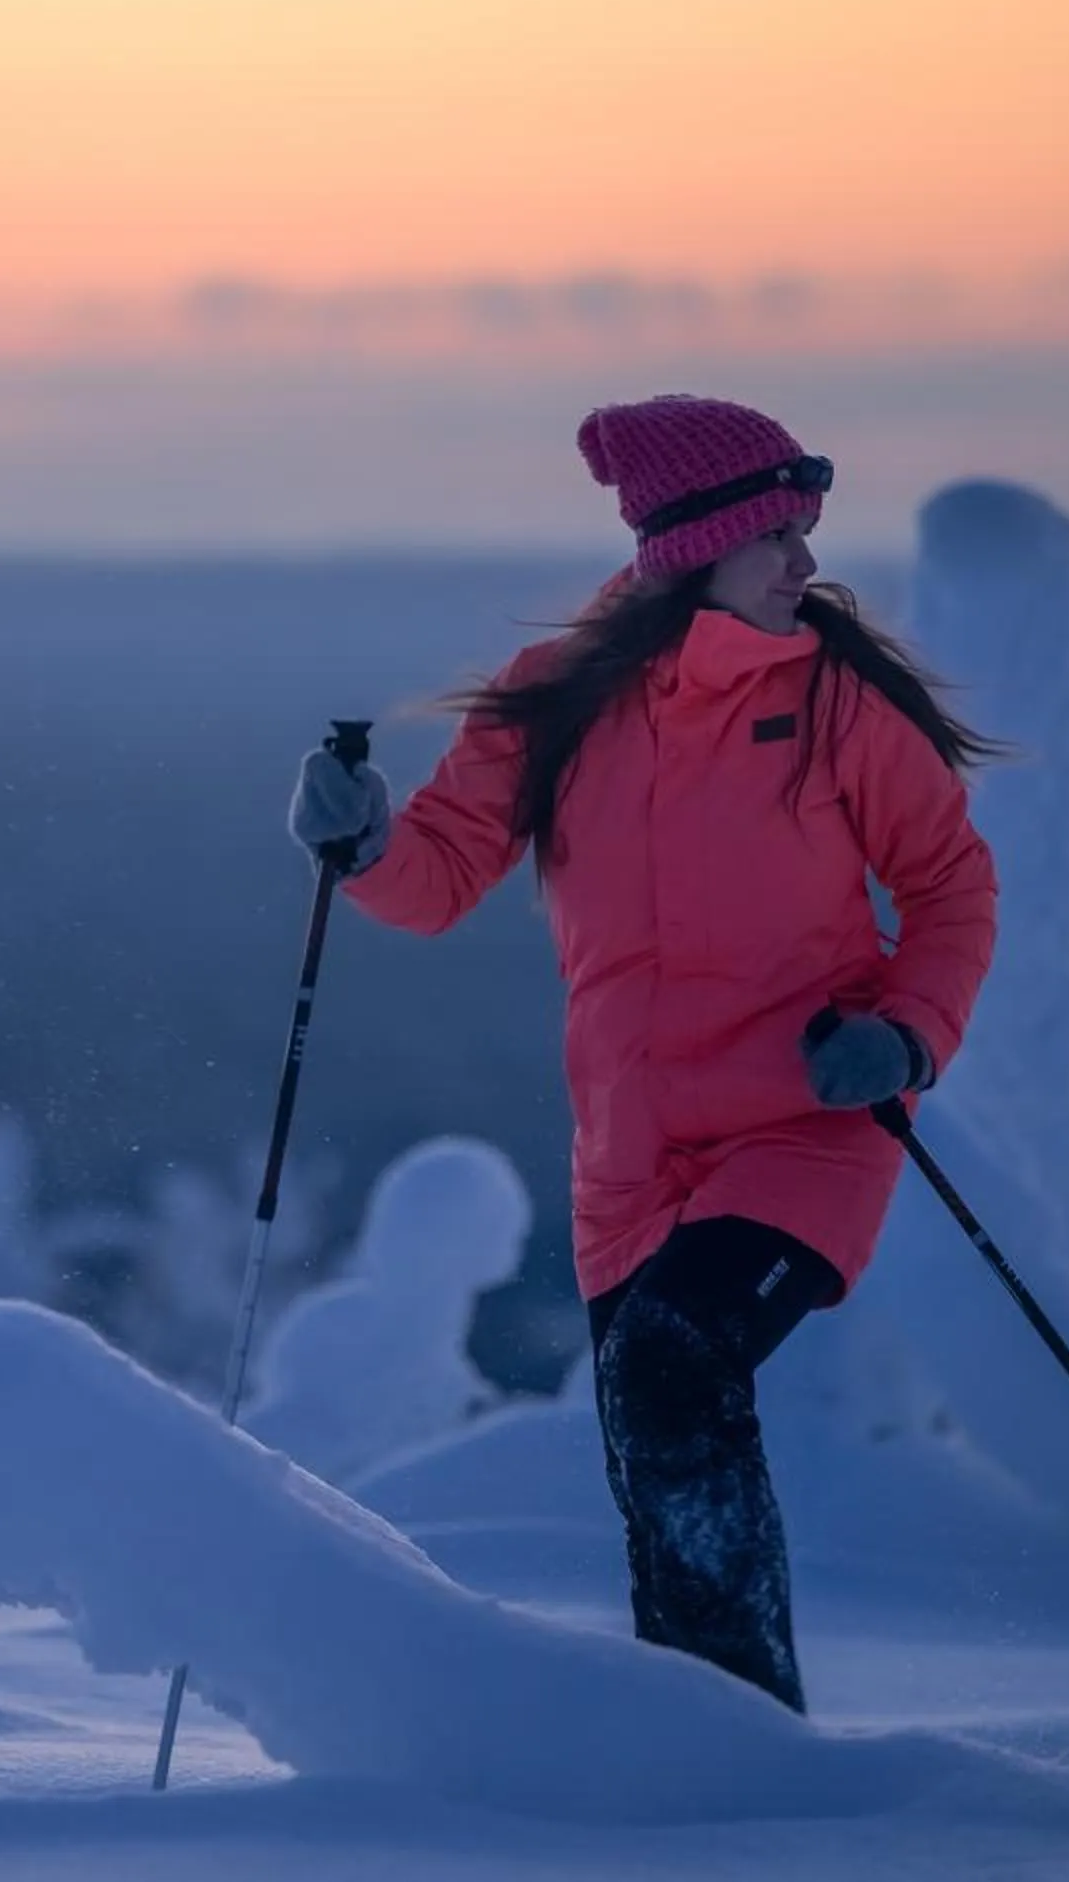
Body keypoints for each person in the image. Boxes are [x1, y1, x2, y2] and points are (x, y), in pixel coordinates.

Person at [286, 394, 998, 1712]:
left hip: (802, 1123)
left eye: (806, 532)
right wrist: (365, 839)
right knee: (648, 1448)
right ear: (696, 543)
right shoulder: (557, 697)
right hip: (629, 1158)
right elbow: (438, 878)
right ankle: (697, 1749)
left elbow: (951, 885)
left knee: (674, 1363)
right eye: (777, 534)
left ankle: (756, 1749)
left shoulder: (831, 698)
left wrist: (905, 1034)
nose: (803, 562)